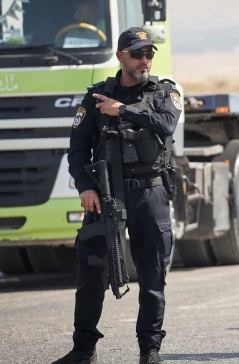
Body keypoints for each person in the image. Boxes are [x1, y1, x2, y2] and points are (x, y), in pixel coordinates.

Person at [53, 27, 182, 364]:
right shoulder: (96, 97)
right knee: (91, 273)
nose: (145, 60)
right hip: (106, 195)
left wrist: (122, 111)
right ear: (120, 56)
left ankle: (149, 351)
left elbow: (166, 125)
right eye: (137, 54)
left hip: (149, 194)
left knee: (153, 276)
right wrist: (84, 186)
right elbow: (77, 150)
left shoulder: (163, 92)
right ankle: (83, 350)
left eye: (149, 54)